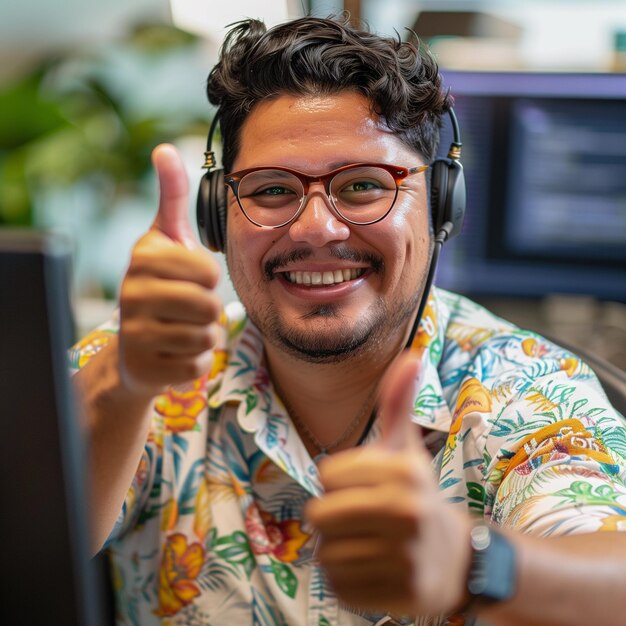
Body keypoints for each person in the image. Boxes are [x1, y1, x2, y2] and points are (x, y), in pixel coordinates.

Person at [71, 15, 626, 626]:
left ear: (441, 205)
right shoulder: (143, 370)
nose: (316, 228)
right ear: (216, 215)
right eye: (271, 190)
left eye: (363, 185)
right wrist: (123, 389)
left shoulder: (525, 389)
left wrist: (475, 566)